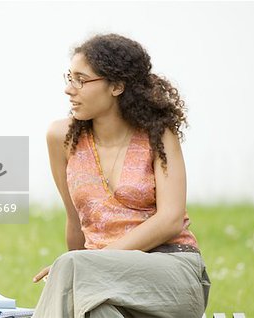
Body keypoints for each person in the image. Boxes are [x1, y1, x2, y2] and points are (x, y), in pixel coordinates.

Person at [32, 34, 211, 318]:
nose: (69, 89)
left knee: (71, 266)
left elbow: (170, 219)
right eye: (69, 77)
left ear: (116, 86)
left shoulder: (159, 135)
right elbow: (76, 222)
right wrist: (80, 272)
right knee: (95, 310)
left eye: (81, 79)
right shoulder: (60, 138)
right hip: (100, 280)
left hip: (171, 274)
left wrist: (83, 265)